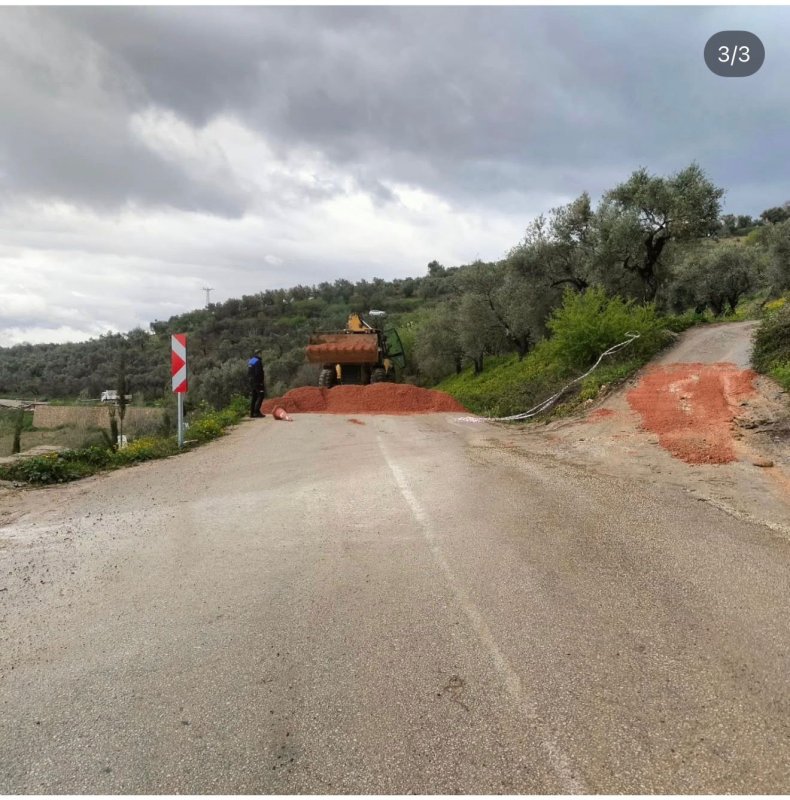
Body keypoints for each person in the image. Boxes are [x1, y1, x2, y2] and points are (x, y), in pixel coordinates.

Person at [247, 349, 266, 418]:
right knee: (261, 395)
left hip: (251, 381)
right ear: (258, 354)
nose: (261, 354)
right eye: (261, 353)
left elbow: (249, 372)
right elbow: (258, 372)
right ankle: (256, 412)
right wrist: (261, 382)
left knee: (254, 397)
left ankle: (251, 413)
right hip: (257, 381)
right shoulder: (258, 361)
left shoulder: (251, 361)